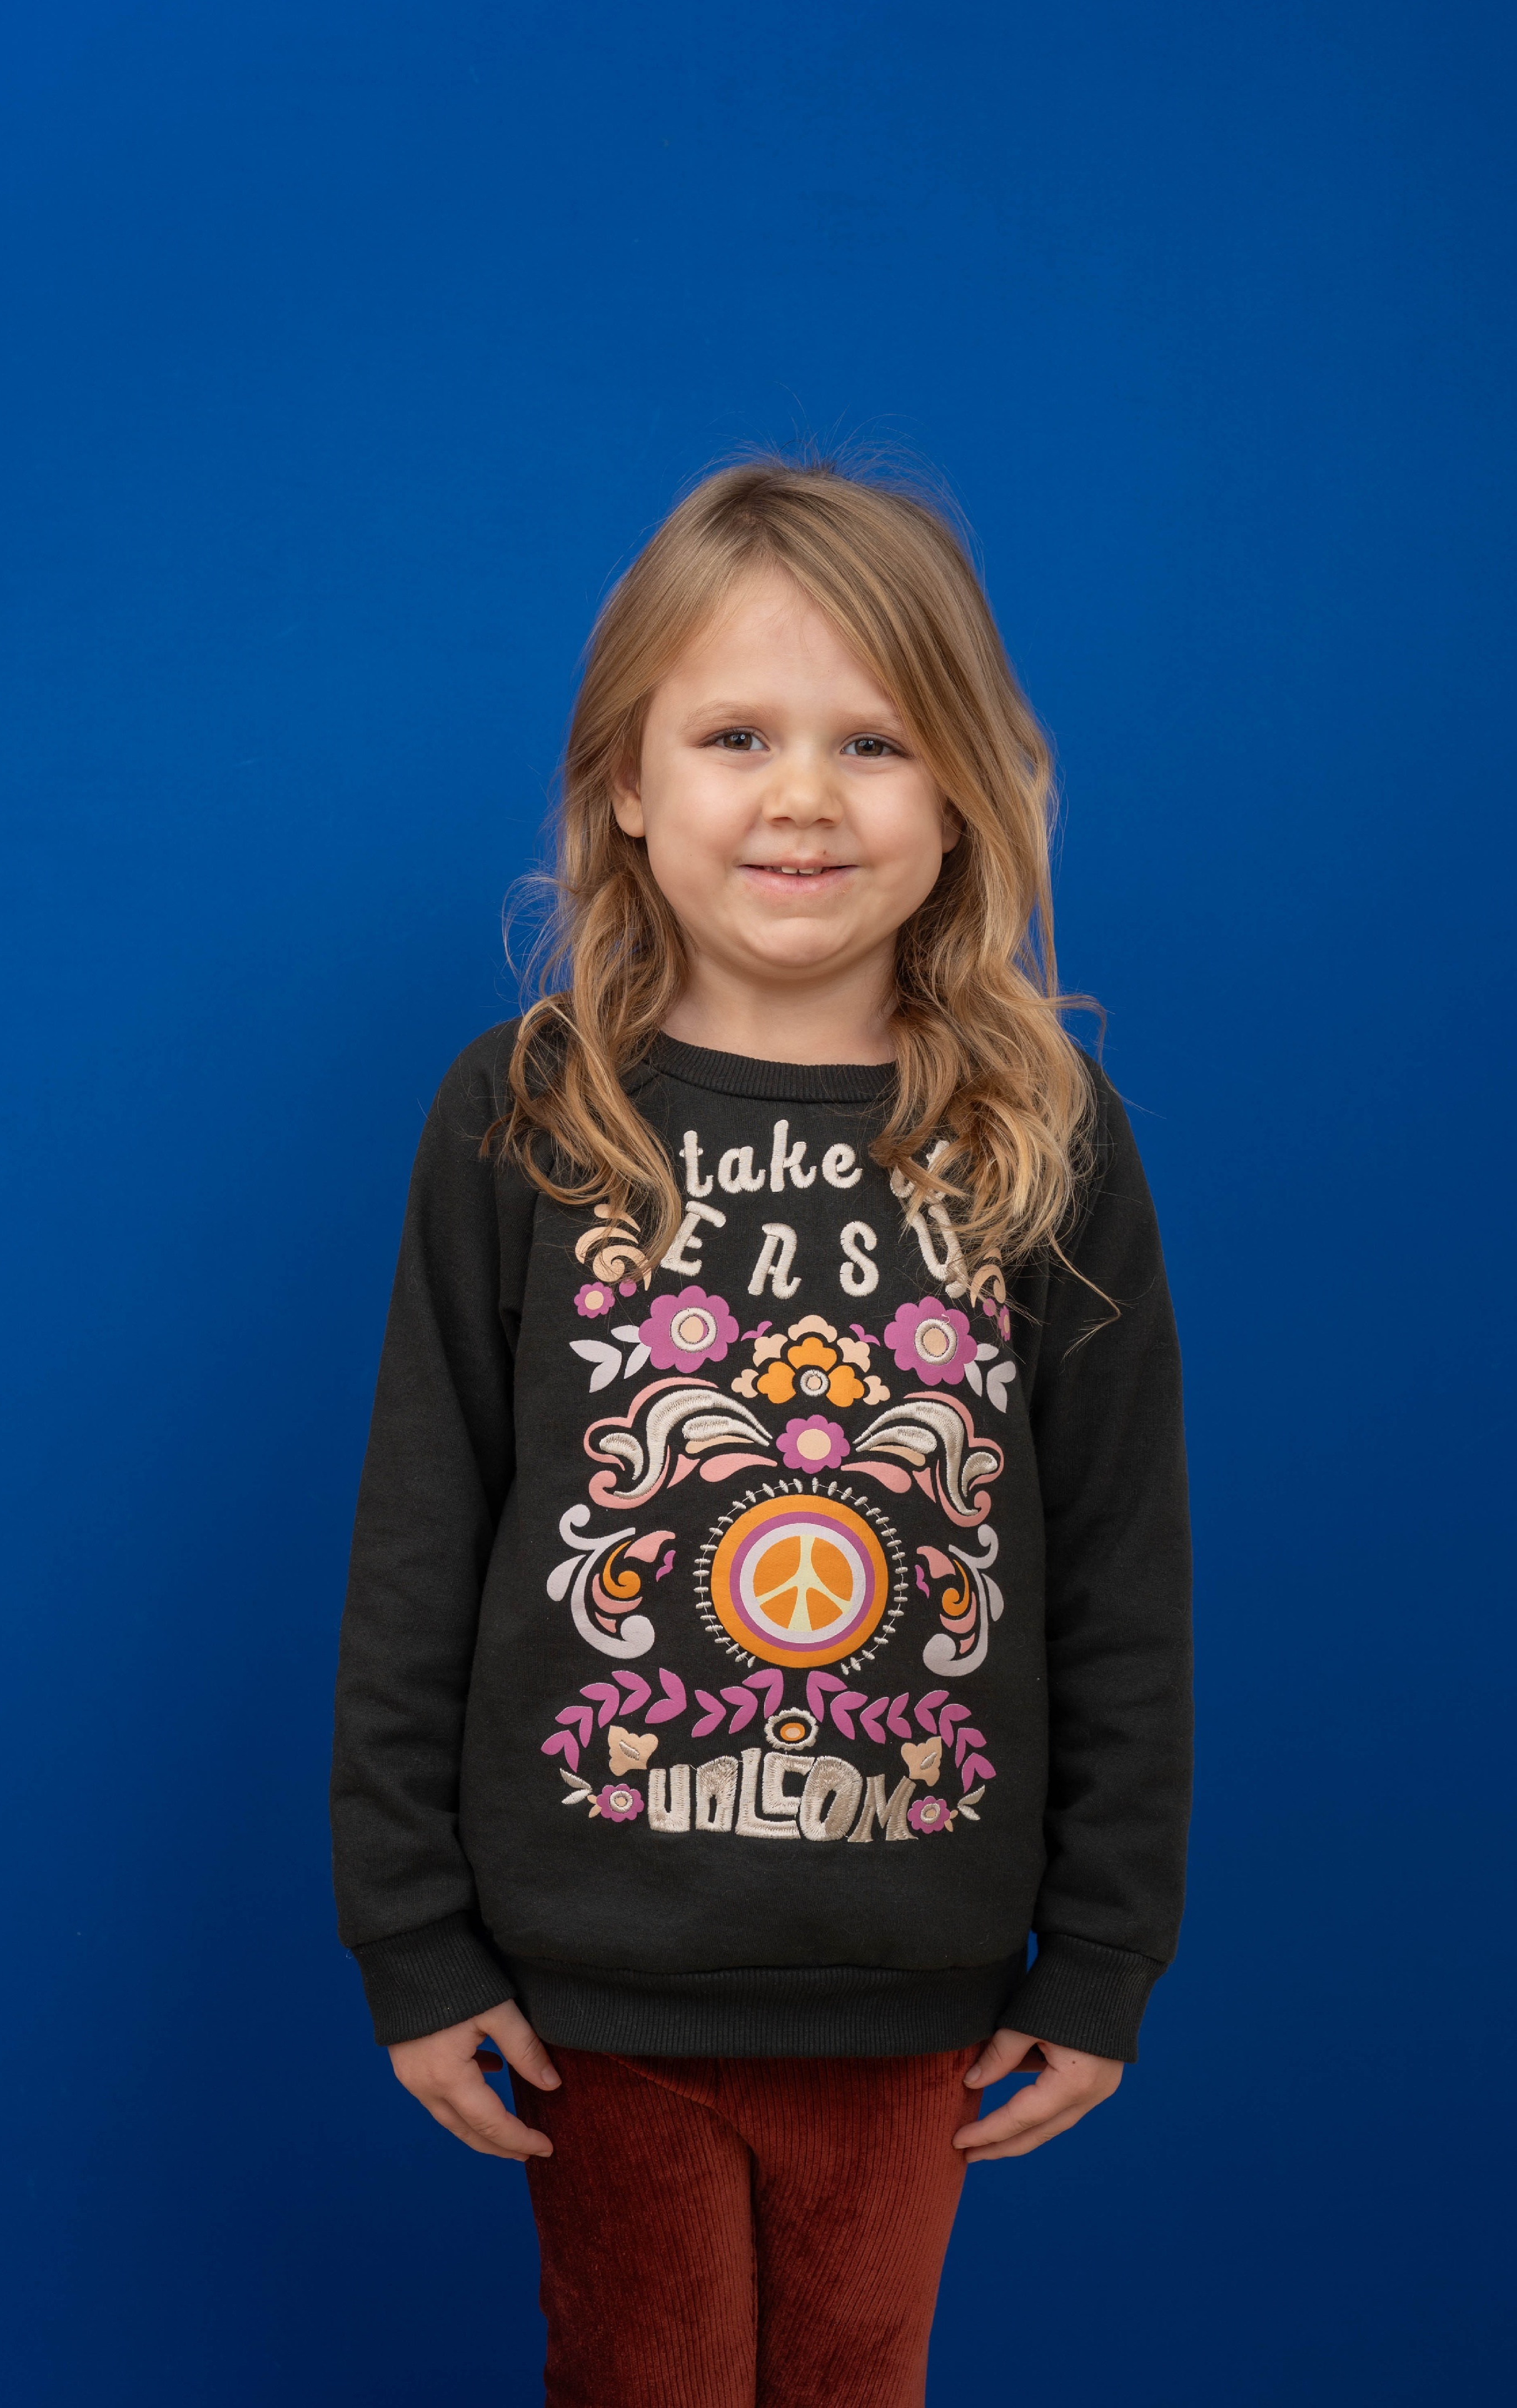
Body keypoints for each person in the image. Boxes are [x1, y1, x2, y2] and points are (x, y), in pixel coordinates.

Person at [330, 458, 1192, 2408]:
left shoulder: (1042, 1137)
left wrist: (1105, 1950)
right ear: (627, 782)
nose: (804, 795)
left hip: (914, 1982)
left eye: (873, 741)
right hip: (587, 1984)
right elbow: (420, 1538)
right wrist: (411, 1934)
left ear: (965, 791)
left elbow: (1122, 1570)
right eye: (737, 735)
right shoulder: (526, 1117)